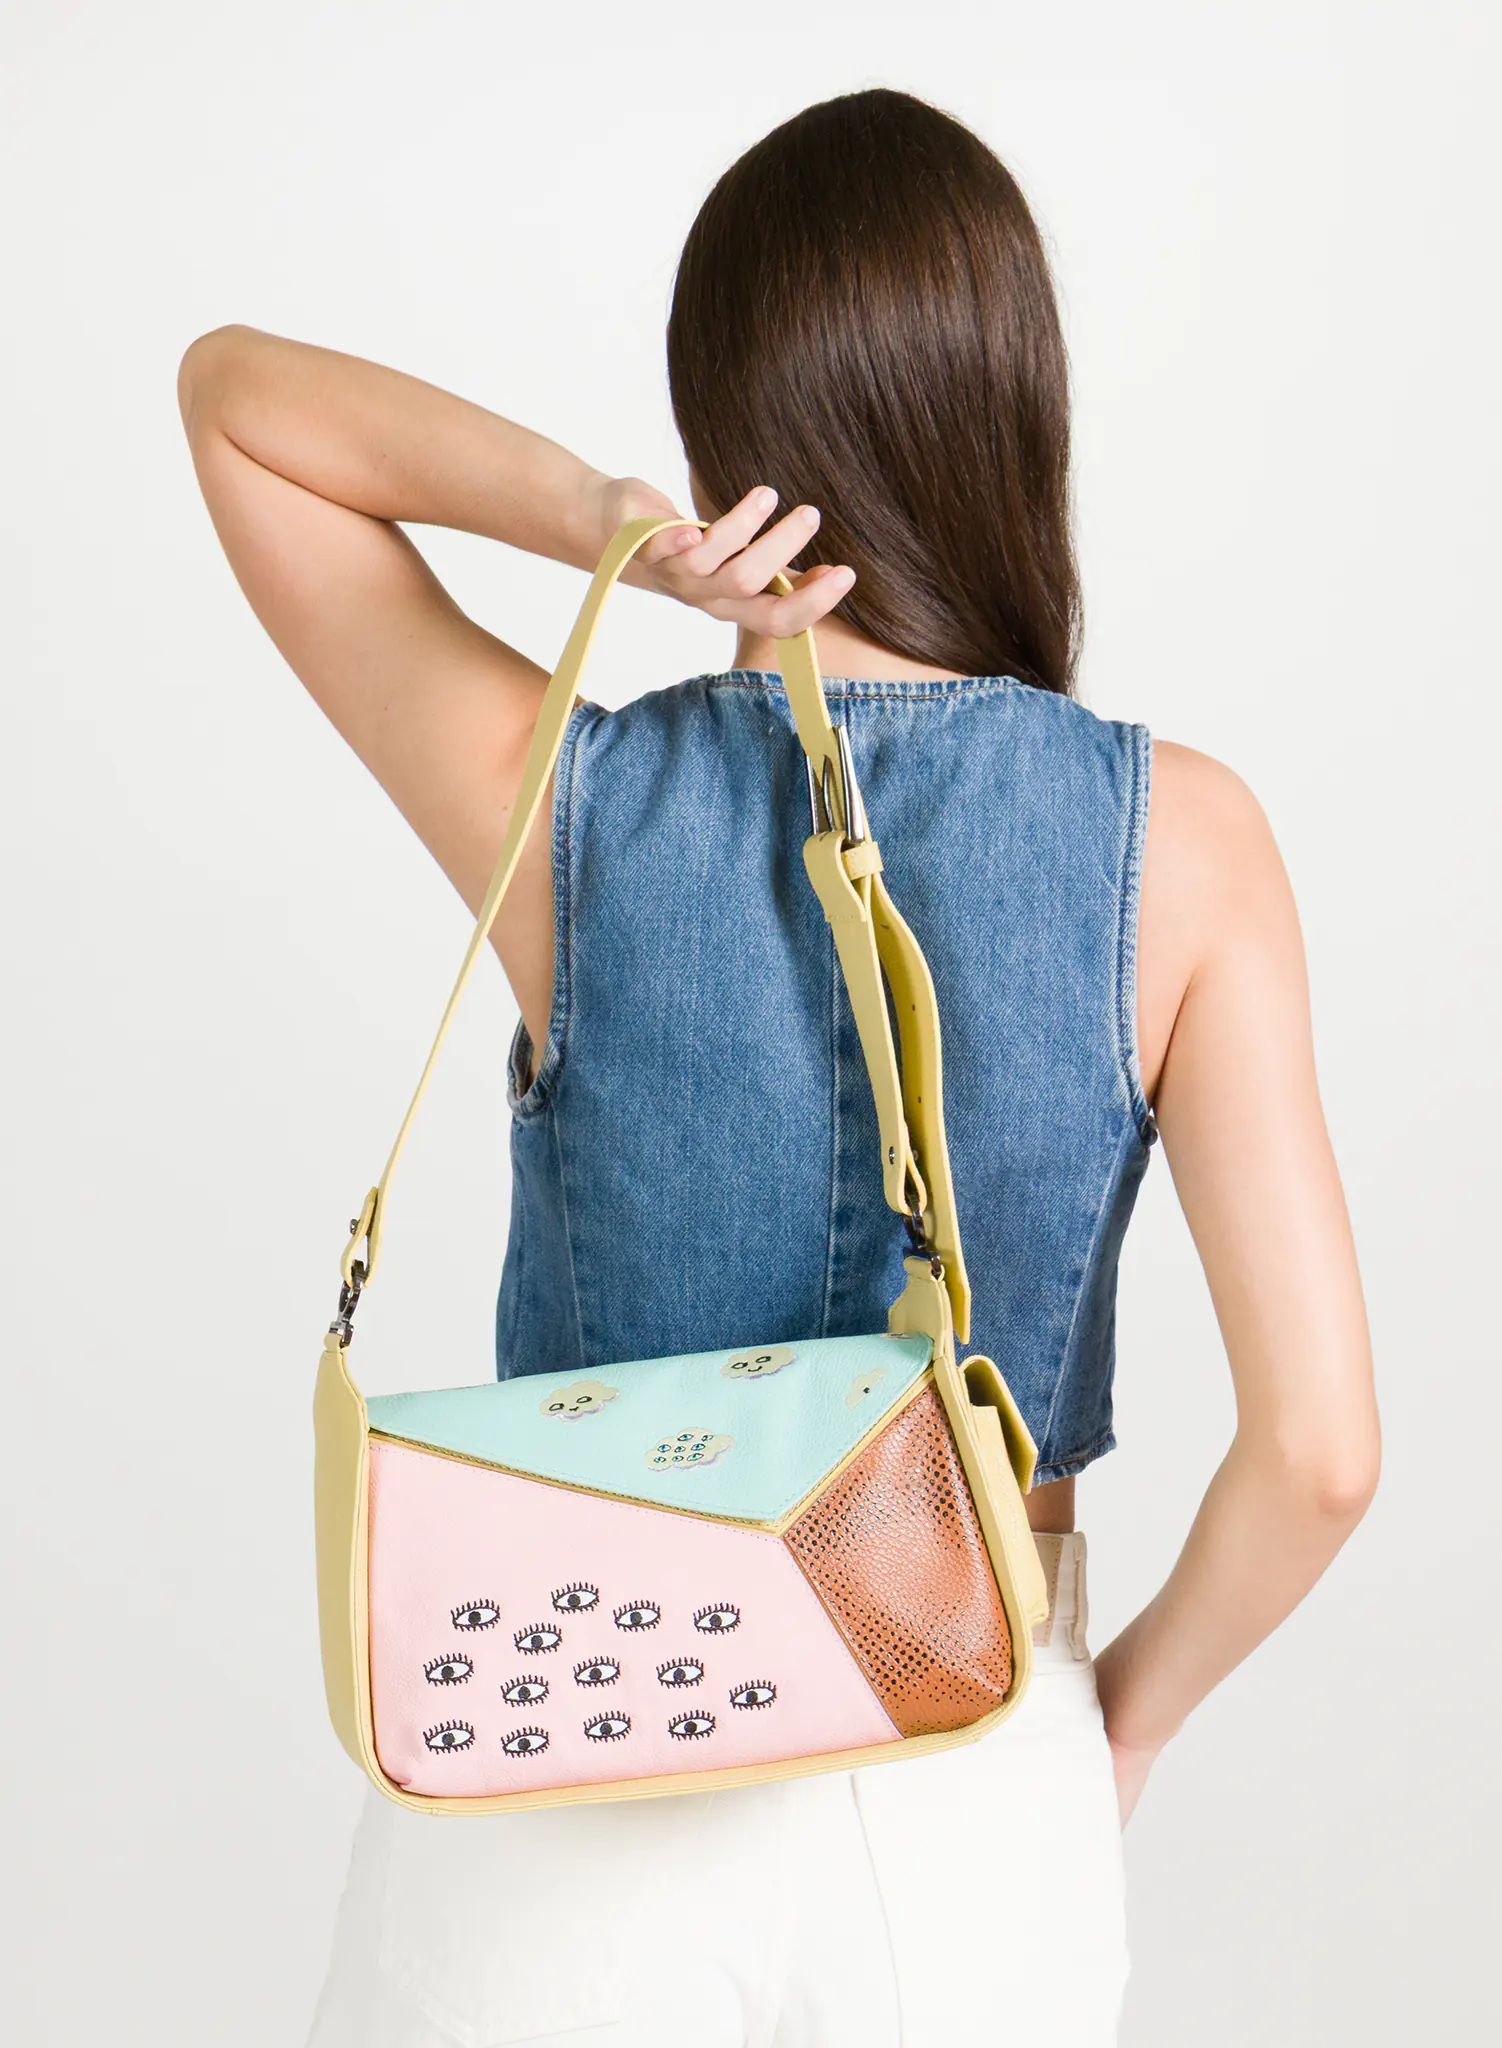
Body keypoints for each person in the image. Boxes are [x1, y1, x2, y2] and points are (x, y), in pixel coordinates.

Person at [179, 85, 1379, 2048]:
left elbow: (238, 404)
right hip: (963, 1765)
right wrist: (1111, 1719)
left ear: (725, 423)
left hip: (560, 1756)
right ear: (1015, 411)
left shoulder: (560, 801)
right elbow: (1323, 1454)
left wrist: (604, 537)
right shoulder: (1189, 843)